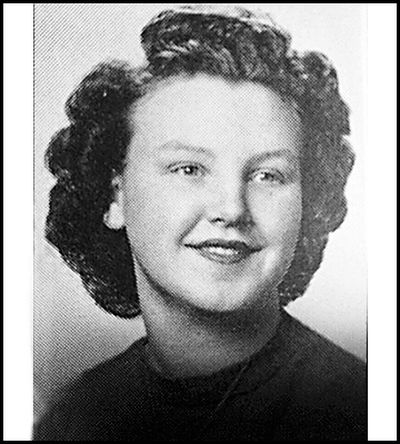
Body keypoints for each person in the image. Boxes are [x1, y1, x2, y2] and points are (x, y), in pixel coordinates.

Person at [34, 5, 366, 441]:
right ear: (115, 195)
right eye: (189, 169)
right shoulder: (75, 418)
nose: (231, 209)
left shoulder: (357, 410)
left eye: (268, 175)